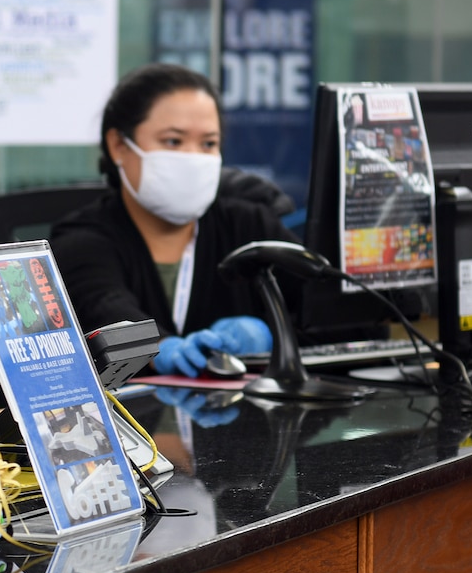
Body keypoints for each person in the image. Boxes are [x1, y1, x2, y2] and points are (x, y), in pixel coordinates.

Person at [50, 63, 296, 377]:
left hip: (241, 421)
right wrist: (160, 347)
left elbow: (329, 306)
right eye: (173, 141)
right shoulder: (82, 240)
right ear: (119, 146)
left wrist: (271, 331)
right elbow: (104, 305)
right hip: (130, 421)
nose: (193, 157)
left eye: (208, 144)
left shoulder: (250, 225)